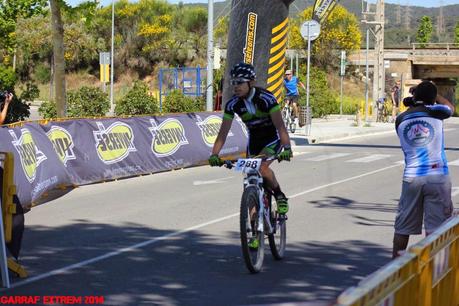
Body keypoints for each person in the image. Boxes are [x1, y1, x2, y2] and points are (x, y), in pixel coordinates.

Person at [208, 62, 292, 217]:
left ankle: (279, 195)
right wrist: (214, 154)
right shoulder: (232, 104)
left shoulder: (266, 98)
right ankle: (253, 227)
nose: (236, 86)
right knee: (249, 178)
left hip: (272, 139)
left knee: (262, 168)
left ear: (251, 82)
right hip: (254, 142)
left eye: (240, 82)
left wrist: (287, 149)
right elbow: (223, 133)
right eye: (234, 82)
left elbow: (280, 126)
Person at [392, 80, 456, 258]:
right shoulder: (437, 111)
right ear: (432, 98)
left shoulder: (400, 119)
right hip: (437, 176)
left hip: (411, 177)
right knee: (436, 228)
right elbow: (450, 107)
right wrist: (434, 97)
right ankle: (435, 265)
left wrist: (417, 99)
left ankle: (395, 266)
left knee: (403, 227)